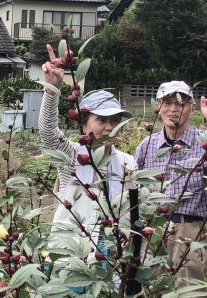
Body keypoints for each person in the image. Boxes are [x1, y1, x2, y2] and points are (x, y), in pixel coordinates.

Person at [135, 81, 207, 298]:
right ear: (158, 108)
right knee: (148, 297)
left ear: (191, 108)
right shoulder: (147, 147)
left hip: (189, 229)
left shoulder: (204, 141)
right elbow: (133, 189)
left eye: (181, 103)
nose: (173, 109)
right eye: (167, 103)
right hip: (154, 230)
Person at [41, 45, 136, 264]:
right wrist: (52, 90)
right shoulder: (72, 157)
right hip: (69, 256)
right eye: (101, 120)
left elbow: (135, 208)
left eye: (115, 121)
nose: (109, 127)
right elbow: (48, 132)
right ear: (83, 126)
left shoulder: (127, 163)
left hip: (112, 258)